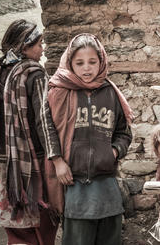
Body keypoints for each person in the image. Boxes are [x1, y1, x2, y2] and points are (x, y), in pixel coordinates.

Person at [46, 33, 134, 245]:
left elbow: (124, 133)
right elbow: (47, 129)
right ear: (70, 63)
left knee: (109, 238)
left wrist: (112, 152)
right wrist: (57, 161)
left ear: (101, 61)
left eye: (92, 62)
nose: (87, 68)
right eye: (80, 63)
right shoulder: (59, 92)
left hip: (106, 182)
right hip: (74, 183)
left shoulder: (111, 92)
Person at [0, 19, 60, 245]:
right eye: (39, 44)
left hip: (3, 162)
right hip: (31, 161)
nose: (43, 49)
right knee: (41, 221)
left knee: (16, 228)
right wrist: (56, 157)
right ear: (24, 47)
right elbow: (43, 119)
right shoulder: (36, 75)